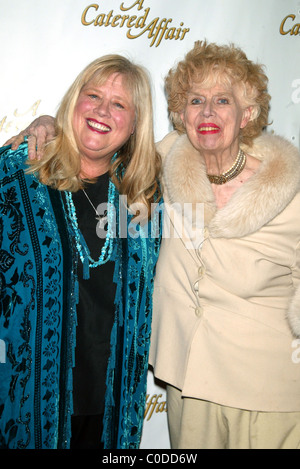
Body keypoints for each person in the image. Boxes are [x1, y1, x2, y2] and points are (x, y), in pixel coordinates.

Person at [0, 54, 162, 449]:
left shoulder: (142, 196)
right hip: (28, 406)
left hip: (113, 411)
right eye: (93, 96)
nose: (102, 110)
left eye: (119, 104)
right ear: (74, 102)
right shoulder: (17, 176)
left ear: (135, 124)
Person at [149, 40, 300, 449]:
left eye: (222, 100)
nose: (208, 112)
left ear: (247, 114)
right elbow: (95, 152)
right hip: (192, 383)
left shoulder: (292, 189)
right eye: (196, 100)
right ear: (181, 114)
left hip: (272, 391)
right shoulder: (164, 161)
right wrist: (45, 124)